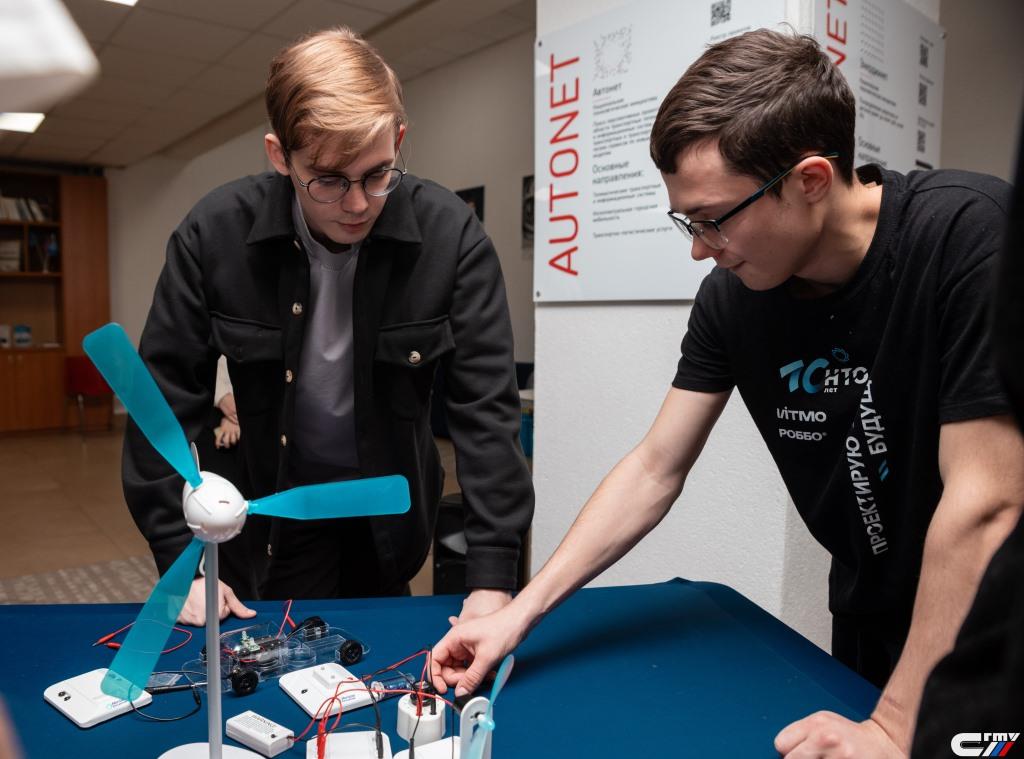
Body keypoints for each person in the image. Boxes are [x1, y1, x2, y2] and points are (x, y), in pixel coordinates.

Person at [431, 29, 1024, 758]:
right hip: (872, 616)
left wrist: (896, 724)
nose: (698, 247)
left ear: (810, 180)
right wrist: (518, 614)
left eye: (713, 219)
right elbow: (655, 468)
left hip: (996, 634)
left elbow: (986, 500)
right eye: (688, 221)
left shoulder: (969, 235)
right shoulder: (734, 299)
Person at [123, 27, 533, 628]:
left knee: (381, 655)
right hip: (270, 511)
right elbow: (159, 404)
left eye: (377, 173)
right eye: (329, 180)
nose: (358, 203)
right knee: (270, 656)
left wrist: (493, 577)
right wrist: (179, 562)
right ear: (279, 156)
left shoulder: (452, 237)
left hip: (387, 514)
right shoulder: (214, 235)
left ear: (398, 139)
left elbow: (486, 412)